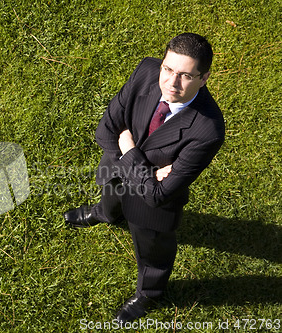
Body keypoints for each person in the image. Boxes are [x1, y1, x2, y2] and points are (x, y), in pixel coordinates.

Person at [64, 33, 225, 323]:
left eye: (186, 75)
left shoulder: (207, 130)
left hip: (152, 208)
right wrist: (149, 173)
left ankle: (150, 293)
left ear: (204, 78)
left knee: (153, 250)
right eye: (168, 69)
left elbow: (157, 196)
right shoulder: (146, 71)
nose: (171, 83)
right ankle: (105, 214)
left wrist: (129, 150)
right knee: (111, 196)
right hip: (116, 168)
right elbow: (106, 129)